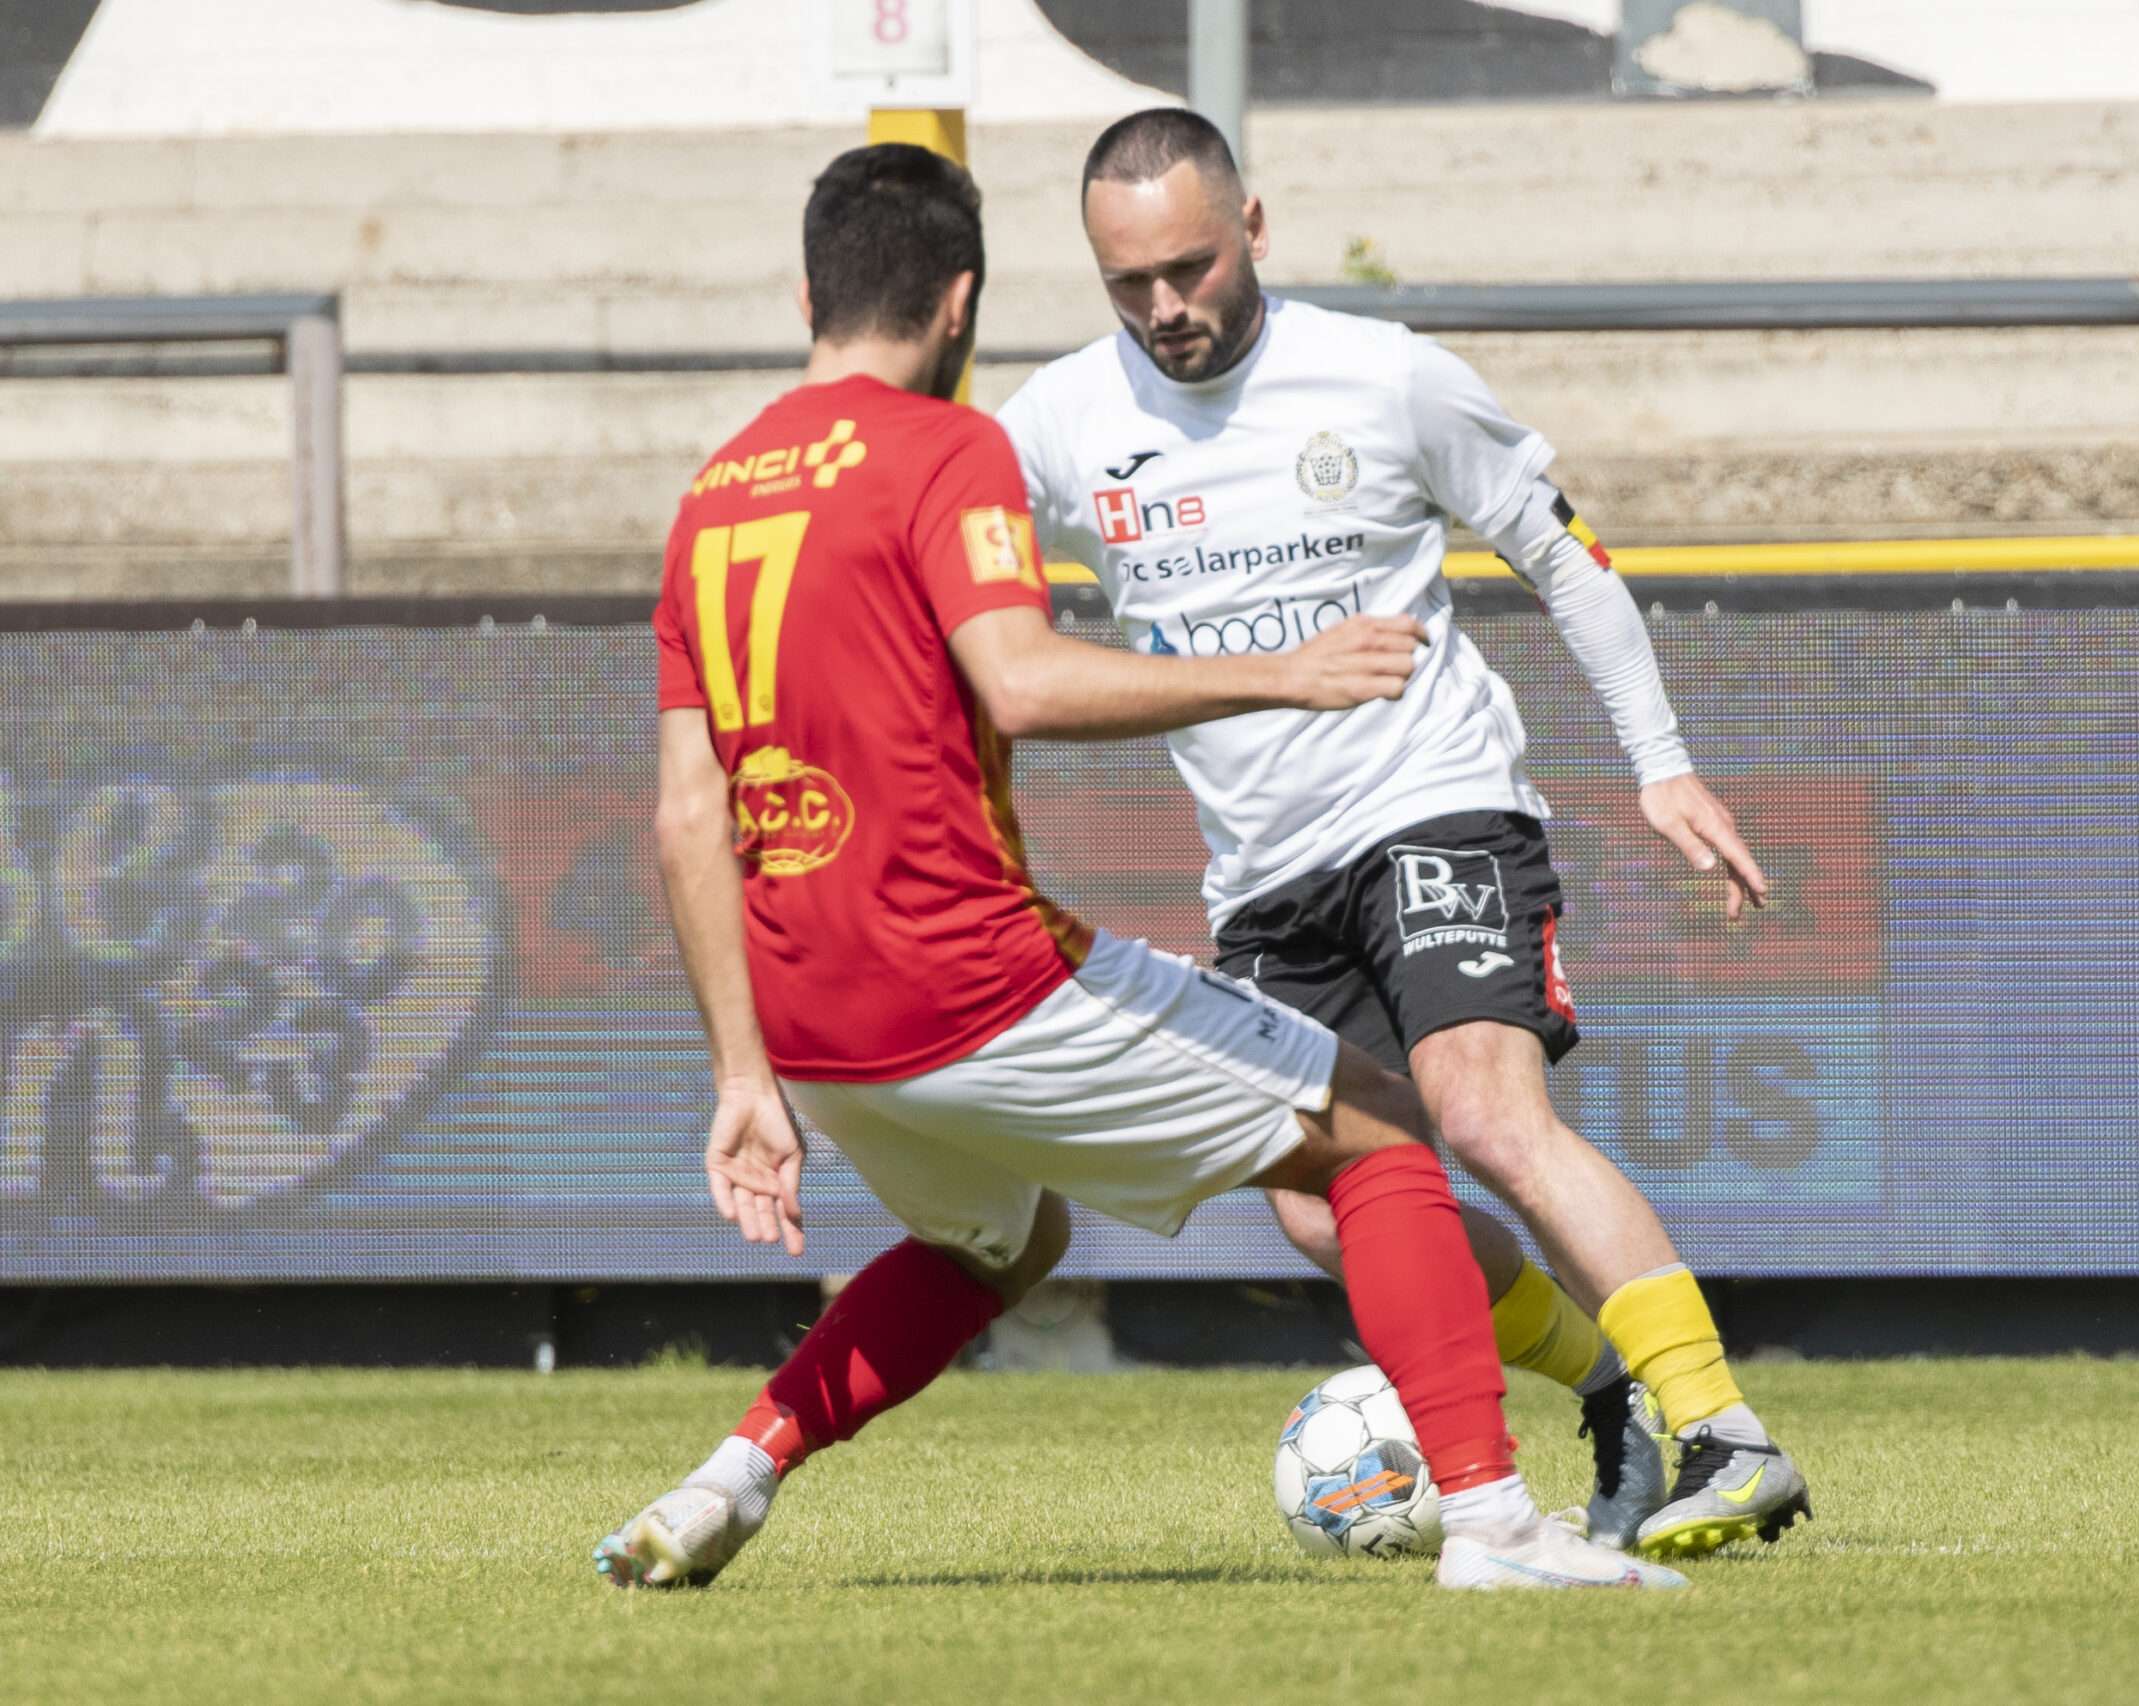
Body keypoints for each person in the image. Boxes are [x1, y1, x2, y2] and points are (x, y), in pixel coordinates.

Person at [593, 143, 1684, 1594]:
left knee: (1001, 1241)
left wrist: (743, 1076)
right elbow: (1025, 680)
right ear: (964, 300)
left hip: (806, 1021)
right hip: (969, 975)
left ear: (808, 289)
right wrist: (1283, 672)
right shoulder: (947, 447)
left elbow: (685, 817)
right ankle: (1493, 1522)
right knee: (1377, 1134)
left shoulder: (716, 494)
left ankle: (731, 1475)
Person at [994, 110, 1811, 1559]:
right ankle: (1611, 1386)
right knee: (1327, 1211)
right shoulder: (1058, 423)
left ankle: (1725, 1429)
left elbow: (1560, 546)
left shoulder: (1384, 375)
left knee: (1490, 1115)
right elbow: (952, 569)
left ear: (1255, 228)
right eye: (1131, 285)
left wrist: (1663, 765)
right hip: (1263, 877)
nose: (1167, 308)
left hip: (1434, 802)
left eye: (1190, 267)